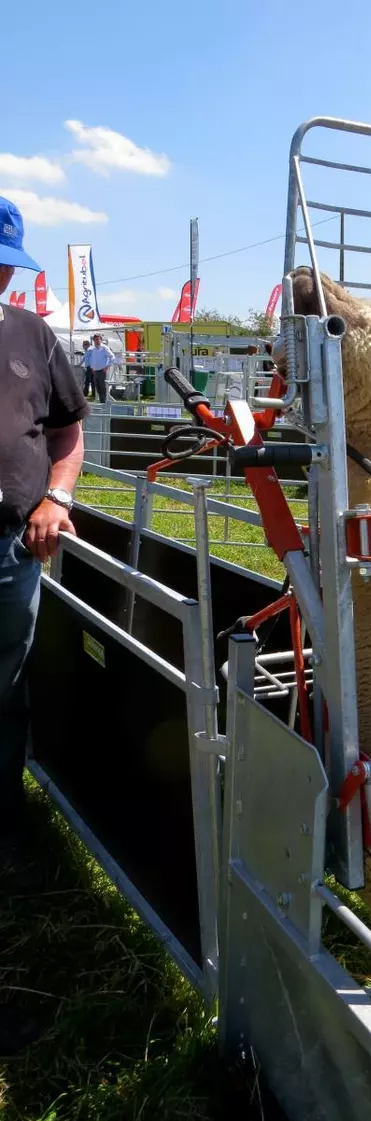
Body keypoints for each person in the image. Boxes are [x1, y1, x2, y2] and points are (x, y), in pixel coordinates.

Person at [0, 195, 89, 839]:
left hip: (8, 547)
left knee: (6, 678)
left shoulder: (32, 335)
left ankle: (2, 816)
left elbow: (67, 432)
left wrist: (56, 497)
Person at [87, 332, 115, 403]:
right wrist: (92, 367)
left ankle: (105, 403)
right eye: (95, 339)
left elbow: (112, 357)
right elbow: (91, 358)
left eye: (98, 339)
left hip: (102, 371)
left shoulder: (104, 348)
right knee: (98, 388)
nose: (97, 341)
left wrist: (107, 366)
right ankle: (102, 403)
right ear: (93, 340)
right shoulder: (92, 348)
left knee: (103, 389)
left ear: (101, 340)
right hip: (95, 371)